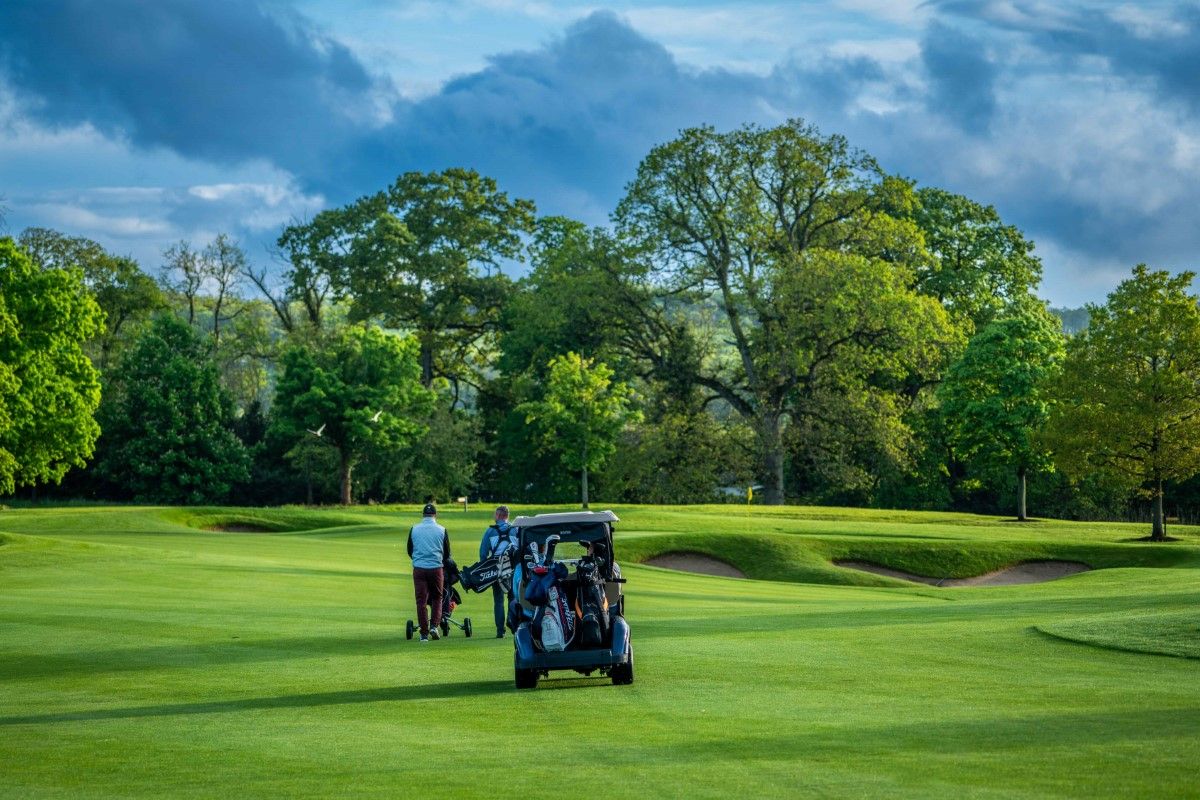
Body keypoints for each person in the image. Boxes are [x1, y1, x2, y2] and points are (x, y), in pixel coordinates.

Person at [407, 503, 450, 643]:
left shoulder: (414, 529)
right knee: (437, 597)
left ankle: (424, 634)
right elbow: (447, 553)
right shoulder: (442, 530)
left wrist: (419, 559)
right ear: (435, 515)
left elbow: (410, 550)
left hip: (419, 568)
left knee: (421, 601)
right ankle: (434, 626)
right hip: (436, 568)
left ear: (423, 515)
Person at [479, 505, 516, 638]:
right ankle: (512, 623)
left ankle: (500, 631)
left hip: (497, 569)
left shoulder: (490, 531)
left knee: (498, 601)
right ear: (507, 516)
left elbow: (483, 554)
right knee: (513, 597)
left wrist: (487, 568)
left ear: (498, 516)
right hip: (512, 568)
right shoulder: (515, 529)